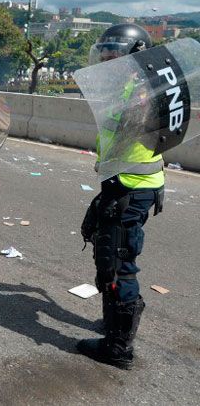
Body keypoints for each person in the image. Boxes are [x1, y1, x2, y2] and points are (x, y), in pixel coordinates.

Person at [78, 23, 164, 370]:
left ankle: (118, 347)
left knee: (118, 265)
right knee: (107, 249)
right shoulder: (129, 86)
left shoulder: (142, 93)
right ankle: (115, 322)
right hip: (122, 182)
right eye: (106, 53)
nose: (108, 59)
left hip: (132, 186)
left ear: (135, 57)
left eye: (115, 54)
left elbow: (138, 120)